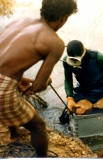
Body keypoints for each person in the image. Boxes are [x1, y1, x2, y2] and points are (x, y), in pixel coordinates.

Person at [0, 0, 78, 157]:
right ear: (64, 18)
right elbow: (38, 86)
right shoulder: (55, 43)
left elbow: (8, 60)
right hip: (2, 88)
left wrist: (19, 79)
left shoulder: (20, 20)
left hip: (3, 80)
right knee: (38, 127)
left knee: (14, 89)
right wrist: (46, 81)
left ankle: (14, 134)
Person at [63, 40, 103, 115]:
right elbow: (68, 80)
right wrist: (70, 98)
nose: (74, 63)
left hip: (100, 90)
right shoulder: (66, 61)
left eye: (76, 60)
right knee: (72, 112)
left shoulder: (99, 58)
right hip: (82, 90)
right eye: (72, 60)